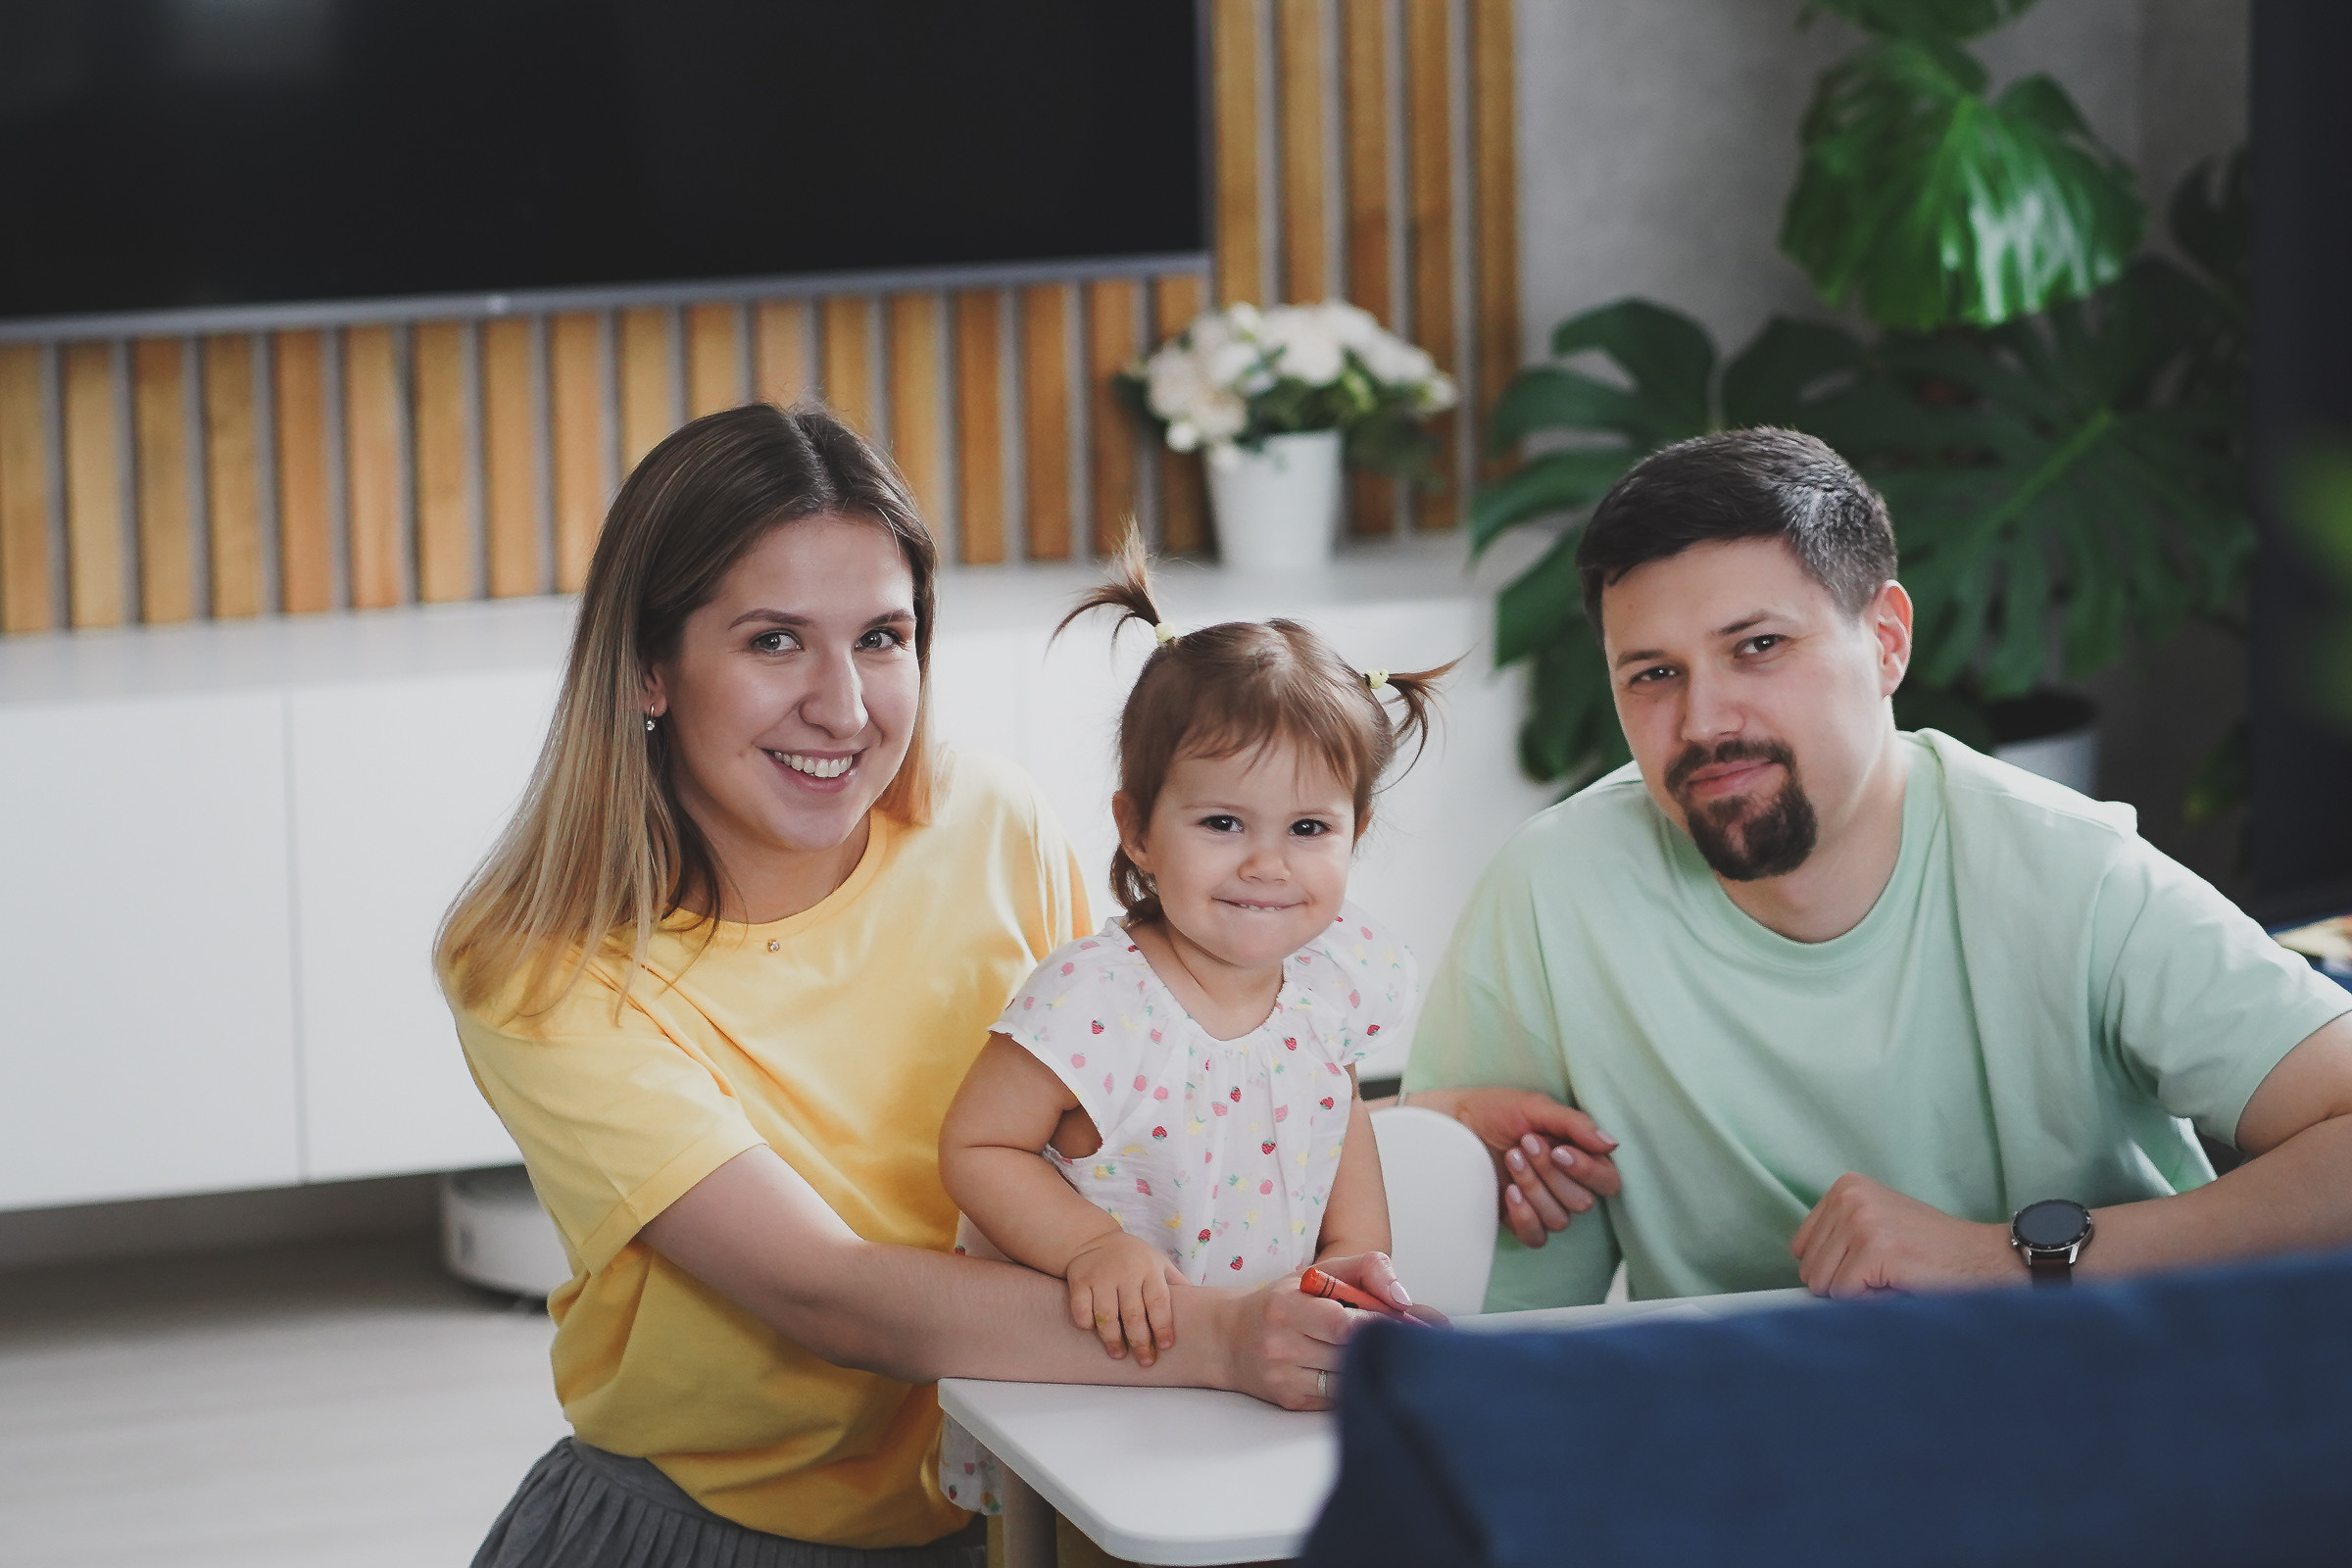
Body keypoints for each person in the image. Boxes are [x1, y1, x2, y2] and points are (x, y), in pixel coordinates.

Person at [437, 404, 1410, 1568]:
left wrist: (1445, 1119)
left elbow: (1152, 1101)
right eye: (774, 641)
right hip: (715, 1533)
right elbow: (825, 1294)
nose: (844, 707)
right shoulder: (542, 967)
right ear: (650, 667)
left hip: (1026, 1499)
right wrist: (1218, 1338)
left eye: (882, 637)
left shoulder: (990, 821)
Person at [1399, 427, 2352, 1308]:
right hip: (1743, 1419)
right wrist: (1424, 1156)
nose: (1703, 721)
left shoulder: (2071, 870)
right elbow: (1479, 1325)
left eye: (1758, 647)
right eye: (1653, 673)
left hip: (2100, 1387)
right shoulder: (1554, 892)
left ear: (1887, 639)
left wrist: (2002, 1257)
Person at [934, 537, 1444, 1510]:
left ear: (1357, 833)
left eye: (1308, 828)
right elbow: (978, 1145)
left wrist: (1349, 1265)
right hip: (1103, 1378)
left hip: (1260, 1383)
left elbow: (1337, 1125)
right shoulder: (1097, 999)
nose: (1267, 864)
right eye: (1222, 824)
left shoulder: (1332, 983)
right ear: (1137, 829)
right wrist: (1089, 1247)